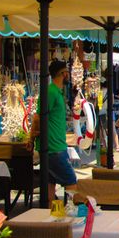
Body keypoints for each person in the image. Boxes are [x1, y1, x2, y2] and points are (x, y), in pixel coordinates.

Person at [28, 59, 77, 206]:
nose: (68, 75)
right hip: (53, 148)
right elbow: (38, 117)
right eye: (67, 72)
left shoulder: (56, 92)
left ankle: (52, 218)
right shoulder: (51, 92)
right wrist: (31, 139)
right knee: (71, 180)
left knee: (50, 183)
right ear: (63, 73)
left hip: (54, 146)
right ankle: (75, 212)